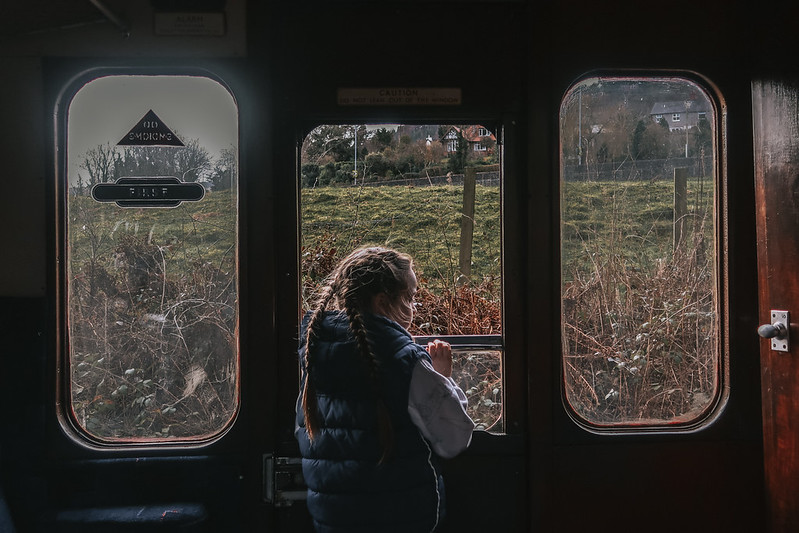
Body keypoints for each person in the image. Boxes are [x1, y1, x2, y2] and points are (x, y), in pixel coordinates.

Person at [295, 246, 475, 533]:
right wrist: (443, 378)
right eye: (411, 297)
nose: (415, 308)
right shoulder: (404, 361)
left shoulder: (316, 350)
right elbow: (454, 439)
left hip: (333, 517)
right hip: (400, 516)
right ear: (382, 303)